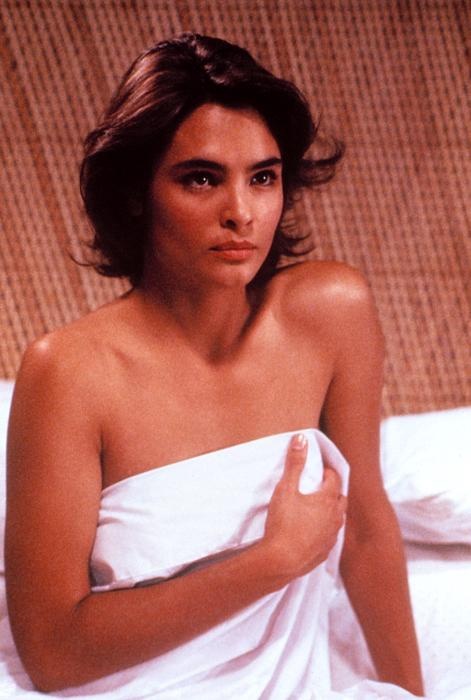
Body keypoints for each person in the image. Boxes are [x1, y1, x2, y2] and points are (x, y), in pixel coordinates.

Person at [5, 33, 424, 698]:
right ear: (137, 192)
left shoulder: (329, 313)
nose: (240, 213)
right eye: (200, 178)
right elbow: (54, 654)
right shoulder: (71, 371)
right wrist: (272, 561)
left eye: (263, 177)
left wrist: (411, 692)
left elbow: (366, 529)